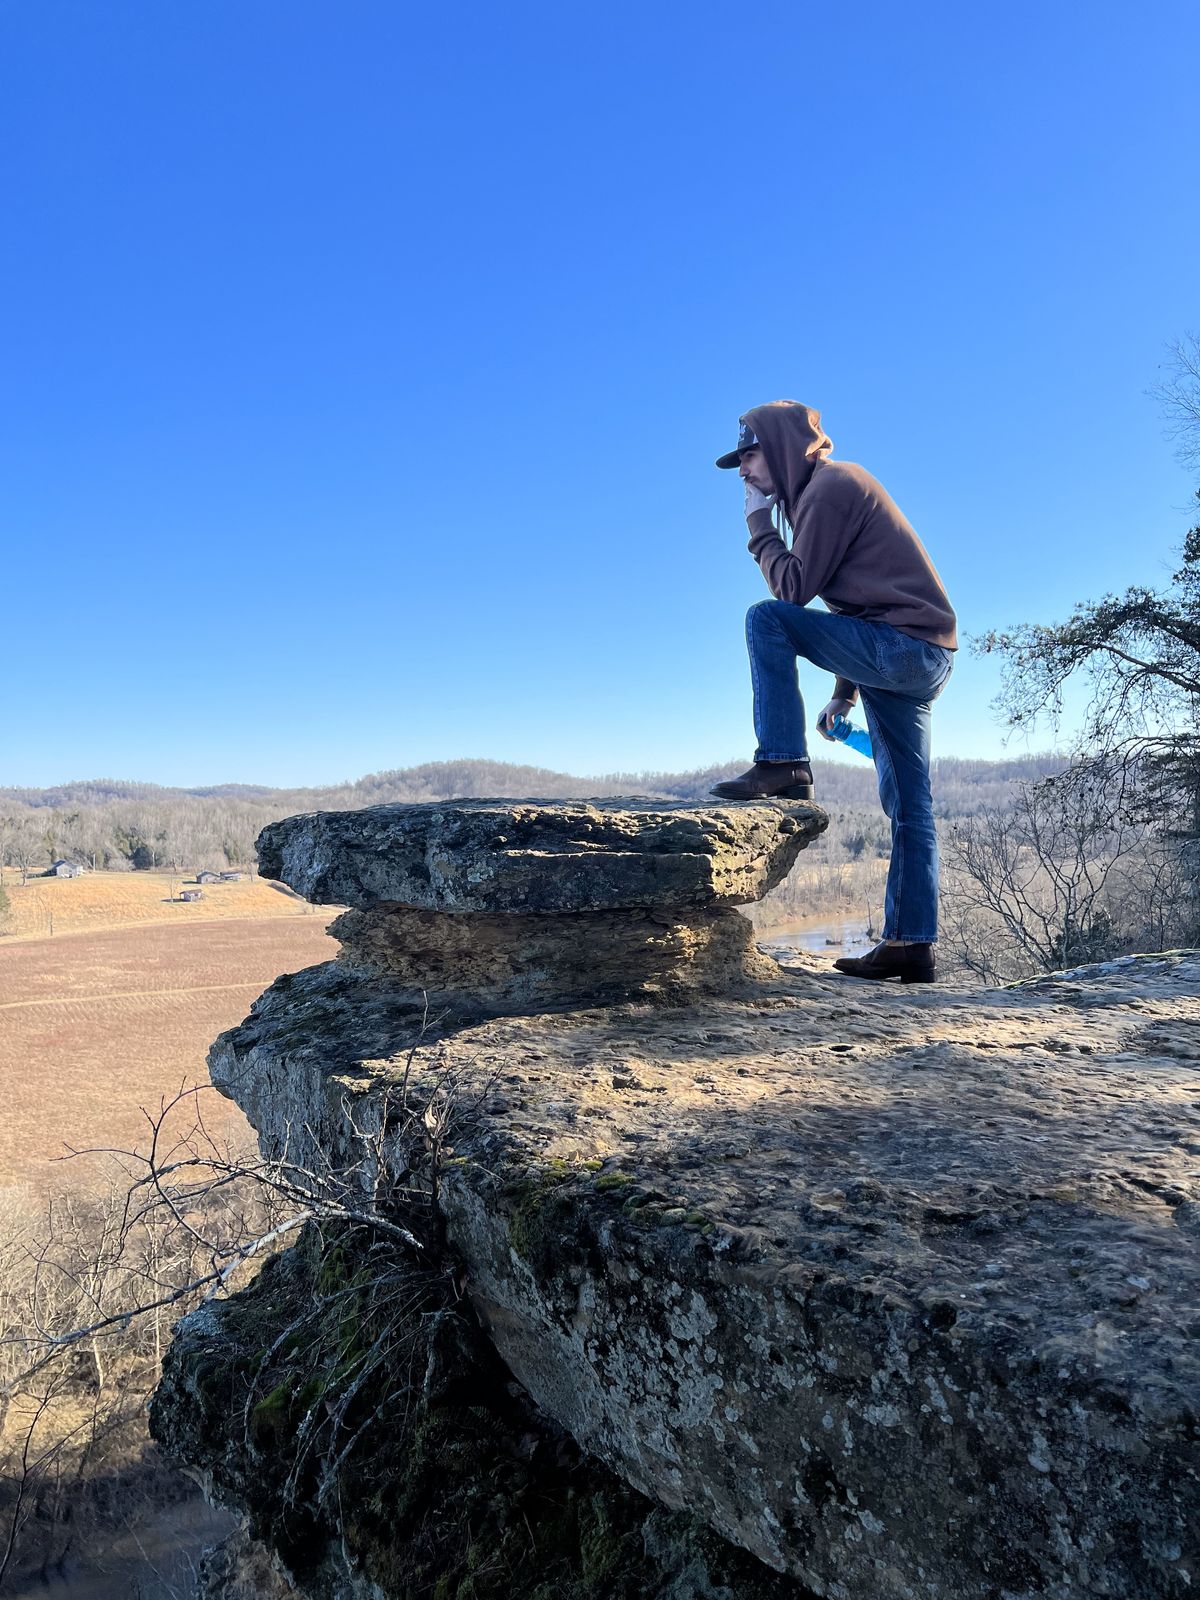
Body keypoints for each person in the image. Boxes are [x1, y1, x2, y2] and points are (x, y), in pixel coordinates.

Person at [710, 400, 957, 984]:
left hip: (902, 648)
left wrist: (758, 525)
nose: (743, 470)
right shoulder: (820, 494)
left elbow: (793, 591)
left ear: (781, 447)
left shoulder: (830, 487)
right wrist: (845, 695)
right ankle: (910, 945)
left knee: (766, 619)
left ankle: (783, 762)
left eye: (749, 455)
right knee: (910, 806)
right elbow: (860, 606)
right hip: (921, 653)